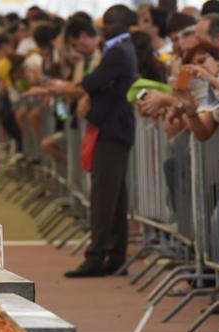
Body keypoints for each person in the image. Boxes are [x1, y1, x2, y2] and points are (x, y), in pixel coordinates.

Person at [60, 5, 138, 278]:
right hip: (115, 128)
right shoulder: (121, 49)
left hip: (112, 129)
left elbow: (92, 82)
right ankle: (115, 255)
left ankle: (97, 256)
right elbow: (95, 83)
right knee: (114, 198)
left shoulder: (118, 51)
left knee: (104, 197)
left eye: (109, 22)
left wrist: (92, 90)